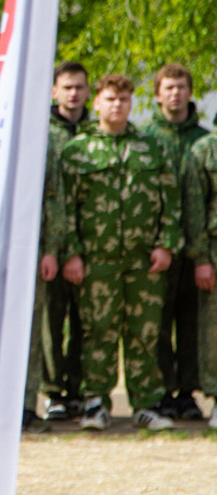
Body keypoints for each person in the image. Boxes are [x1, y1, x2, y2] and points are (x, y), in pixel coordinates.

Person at [61, 73, 180, 431]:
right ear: (96, 102)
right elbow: (65, 208)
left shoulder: (152, 147)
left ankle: (146, 403)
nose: (118, 105)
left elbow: (170, 201)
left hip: (143, 259)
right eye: (111, 99)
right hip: (97, 259)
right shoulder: (76, 151)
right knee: (98, 331)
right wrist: (72, 252)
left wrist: (166, 244)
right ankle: (96, 402)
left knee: (145, 332)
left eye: (124, 100)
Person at [0, 125, 65, 432]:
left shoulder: (40, 145)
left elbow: (54, 200)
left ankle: (26, 406)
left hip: (31, 252)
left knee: (28, 332)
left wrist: (51, 250)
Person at [143, 63, 208, 420]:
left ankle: (188, 391)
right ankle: (162, 390)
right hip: (159, 246)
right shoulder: (147, 138)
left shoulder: (204, 139)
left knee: (191, 322)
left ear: (189, 92)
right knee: (157, 320)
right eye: (168, 87)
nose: (175, 93)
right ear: (157, 94)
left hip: (196, 246)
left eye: (181, 87)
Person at [42, 61, 90, 421]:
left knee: (86, 320)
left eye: (79, 87)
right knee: (51, 320)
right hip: (51, 243)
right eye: (67, 87)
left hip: (93, 242)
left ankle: (80, 388)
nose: (73, 93)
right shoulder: (41, 132)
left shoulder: (98, 130)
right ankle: (53, 390)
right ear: (55, 91)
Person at [183, 115, 217, 428]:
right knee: (214, 330)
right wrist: (202, 257)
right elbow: (195, 208)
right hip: (215, 249)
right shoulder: (205, 148)